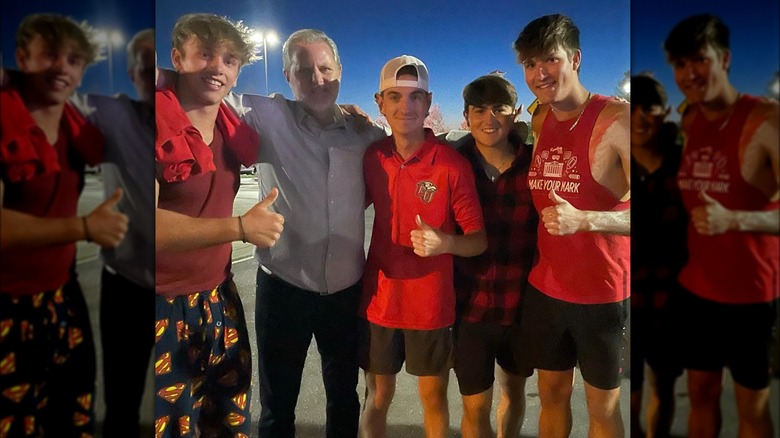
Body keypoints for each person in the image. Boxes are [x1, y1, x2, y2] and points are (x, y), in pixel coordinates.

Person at [153, 13, 284, 437]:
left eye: (229, 60)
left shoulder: (230, 127)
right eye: (205, 54)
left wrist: (343, 108)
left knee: (229, 421)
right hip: (162, 304)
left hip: (219, 295)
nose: (218, 67)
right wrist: (240, 228)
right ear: (177, 57)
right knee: (171, 427)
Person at [0, 13, 128, 436]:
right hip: (8, 307)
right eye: (49, 54)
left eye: (74, 60)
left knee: (73, 415)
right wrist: (83, 229)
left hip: (62, 293)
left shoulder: (74, 128)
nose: (62, 67)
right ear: (22, 57)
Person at [513, 14, 631, 437]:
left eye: (550, 59)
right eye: (529, 64)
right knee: (552, 395)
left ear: (575, 58)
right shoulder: (542, 120)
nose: (540, 74)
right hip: (546, 289)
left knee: (602, 408)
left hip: (600, 293)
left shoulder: (619, 120)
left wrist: (586, 219)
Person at [359, 55, 487, 438]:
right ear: (379, 103)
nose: (405, 107)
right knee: (377, 395)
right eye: (394, 97)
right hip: (379, 301)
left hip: (430, 305)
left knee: (432, 397)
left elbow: (478, 241)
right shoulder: (373, 157)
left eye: (415, 97)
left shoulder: (450, 164)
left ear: (429, 103)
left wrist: (445, 242)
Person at [664, 14, 779, 437]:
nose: (689, 74)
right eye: (679, 63)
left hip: (750, 294)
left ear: (725, 58)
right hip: (697, 289)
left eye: (700, 59)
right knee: (701, 393)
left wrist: (735, 218)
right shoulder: (692, 121)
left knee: (751, 406)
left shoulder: (766, 119)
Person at [68, 27, 156, 437]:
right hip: (125, 285)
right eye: (141, 62)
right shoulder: (108, 112)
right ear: (131, 72)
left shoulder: (191, 113)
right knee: (122, 399)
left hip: (179, 287)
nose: (149, 69)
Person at [449, 74, 537, 438]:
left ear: (515, 113)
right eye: (479, 110)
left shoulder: (535, 164)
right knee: (475, 405)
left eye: (499, 109)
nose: (490, 119)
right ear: (466, 116)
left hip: (522, 305)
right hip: (469, 307)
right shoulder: (452, 164)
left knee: (515, 392)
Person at [629, 74, 686, 438]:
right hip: (626, 297)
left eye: (648, 108)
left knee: (663, 387)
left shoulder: (685, 165)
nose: (639, 117)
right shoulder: (617, 164)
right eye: (632, 107)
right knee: (629, 394)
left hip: (674, 297)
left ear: (664, 112)